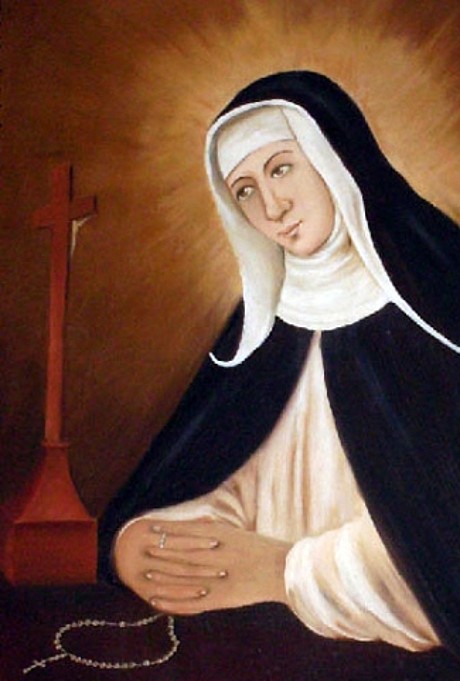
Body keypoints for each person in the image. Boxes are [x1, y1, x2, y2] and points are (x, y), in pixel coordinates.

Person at [99, 71, 460, 655]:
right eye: (244, 191)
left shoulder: (438, 300)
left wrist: (289, 572)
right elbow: (234, 482)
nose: (272, 206)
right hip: (267, 639)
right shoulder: (266, 330)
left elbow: (439, 551)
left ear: (332, 155)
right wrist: (154, 541)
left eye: (282, 168)